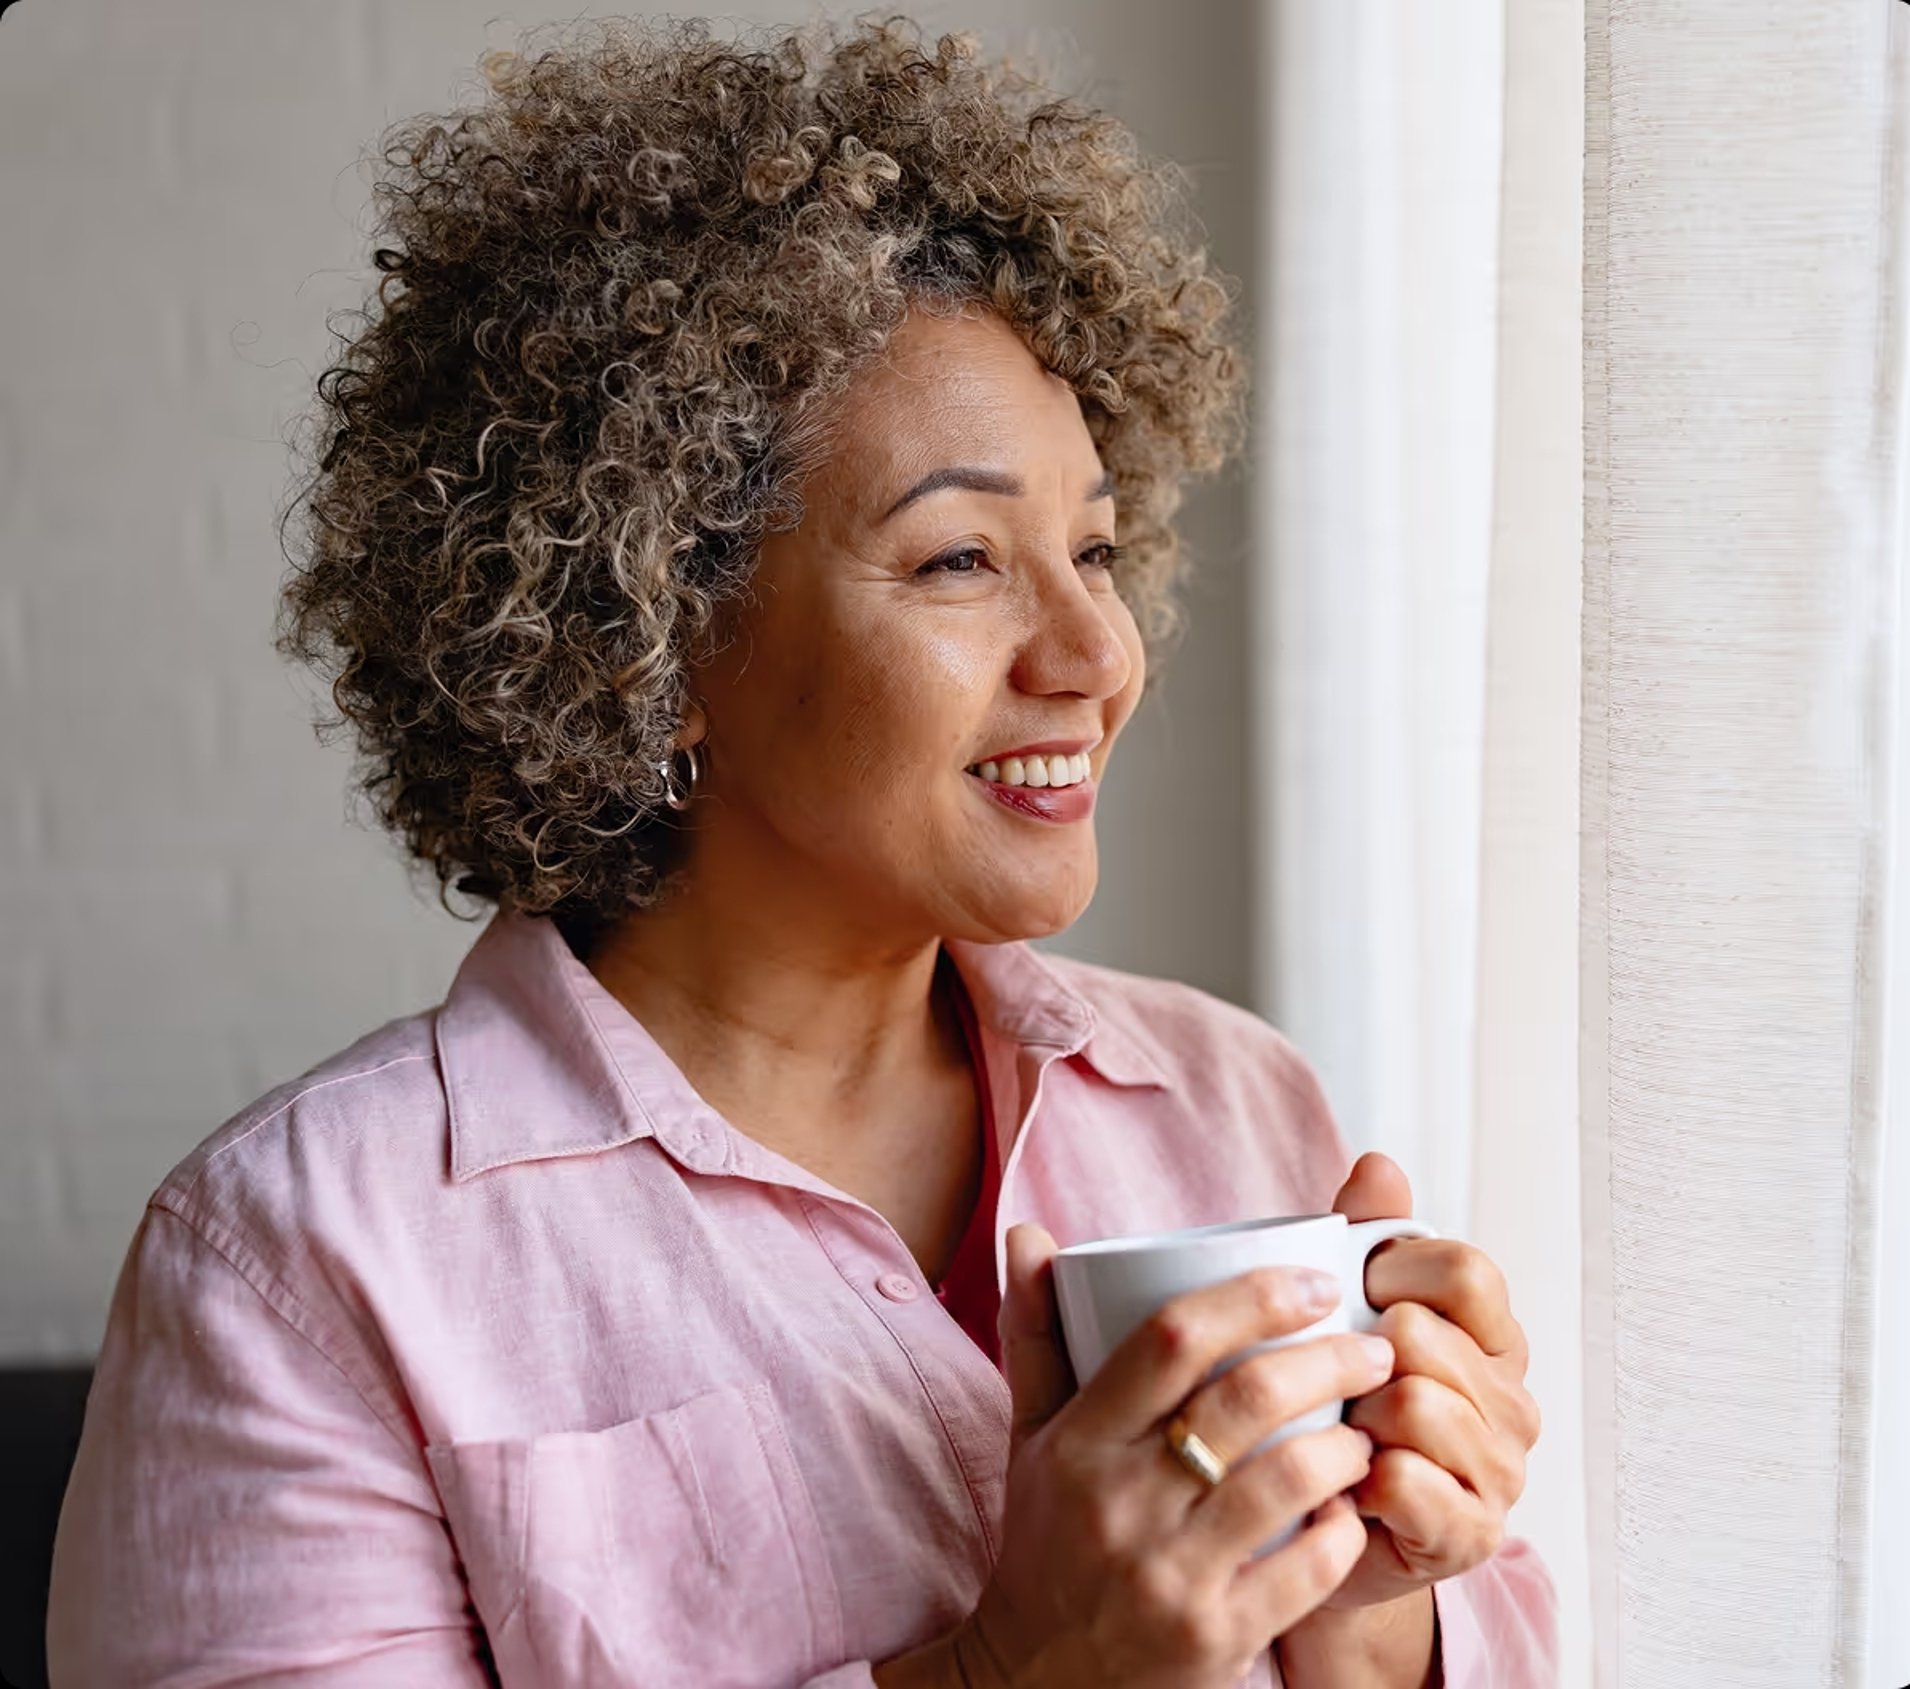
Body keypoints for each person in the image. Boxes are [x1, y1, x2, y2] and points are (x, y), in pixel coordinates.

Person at [46, 16, 1555, 1687]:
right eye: (963, 558)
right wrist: (1011, 1669)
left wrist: (1375, 1612)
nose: (1096, 653)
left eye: (1097, 547)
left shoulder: (1233, 1108)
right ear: (651, 635)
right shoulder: (306, 1261)